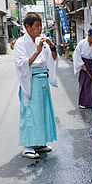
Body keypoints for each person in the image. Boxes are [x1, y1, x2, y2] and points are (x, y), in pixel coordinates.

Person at [14, 12, 58, 159]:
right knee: (30, 113)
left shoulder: (41, 40)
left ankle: (39, 142)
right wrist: (37, 51)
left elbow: (51, 59)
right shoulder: (20, 43)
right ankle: (27, 146)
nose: (39, 29)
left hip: (42, 80)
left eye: (40, 26)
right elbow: (21, 64)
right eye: (36, 26)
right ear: (27, 27)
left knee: (43, 112)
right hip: (30, 81)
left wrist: (52, 47)